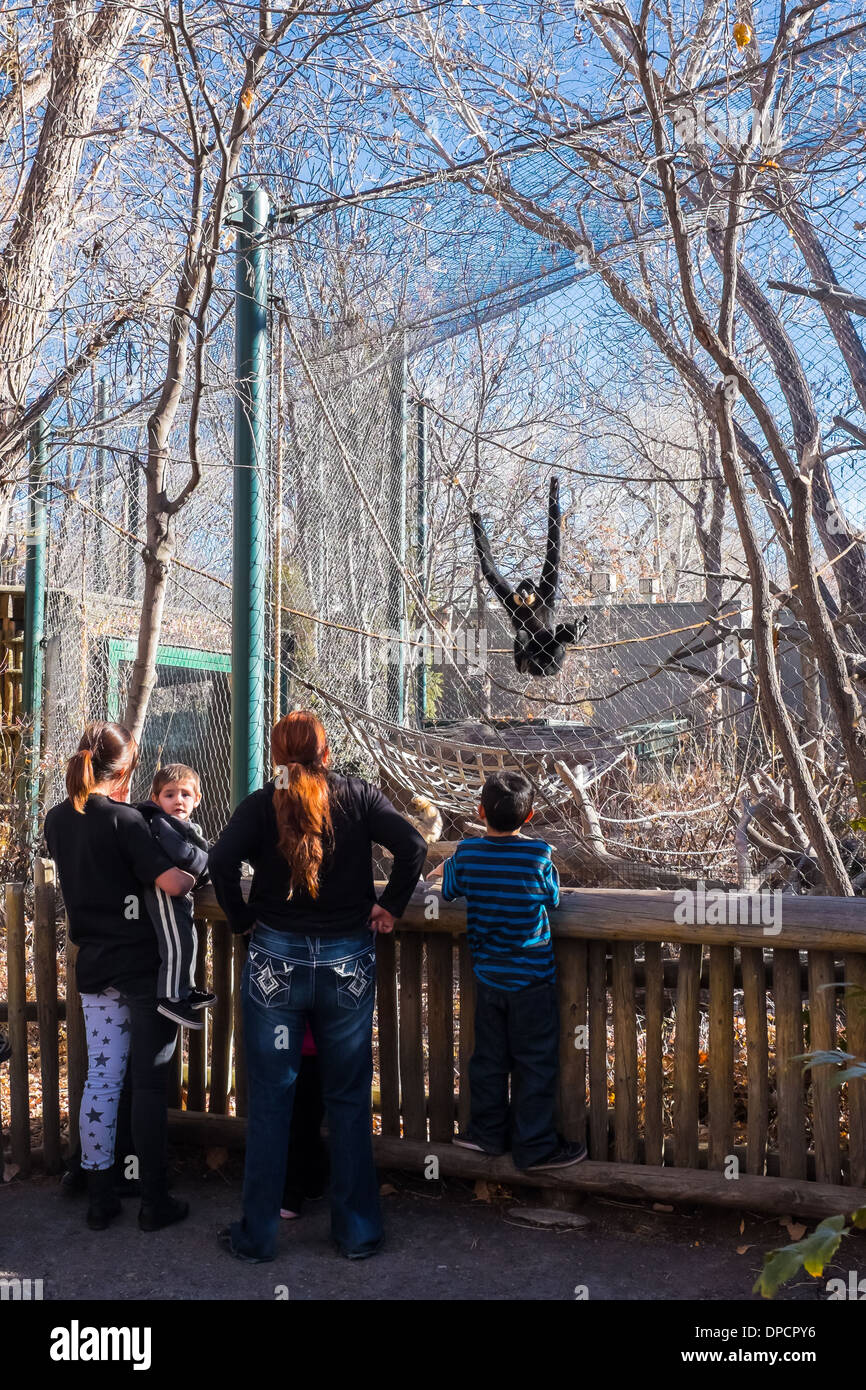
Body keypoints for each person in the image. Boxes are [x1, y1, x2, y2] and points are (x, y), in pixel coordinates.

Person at [209, 709, 427, 1263]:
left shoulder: (263, 802)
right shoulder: (358, 795)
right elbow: (414, 847)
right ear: (326, 753)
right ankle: (356, 1232)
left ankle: (257, 1236)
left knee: (271, 1095)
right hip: (346, 959)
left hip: (274, 958)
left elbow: (220, 859)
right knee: (349, 1096)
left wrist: (239, 917)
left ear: (278, 756)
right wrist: (390, 906)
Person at [44, 722, 194, 1232]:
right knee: (149, 1087)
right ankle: (155, 1199)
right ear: (125, 770)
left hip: (94, 963)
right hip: (140, 966)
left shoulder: (56, 819)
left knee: (102, 1080)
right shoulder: (126, 820)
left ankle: (99, 1192)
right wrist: (200, 869)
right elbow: (172, 882)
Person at [433, 769, 586, 1170]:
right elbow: (552, 897)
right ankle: (534, 1147)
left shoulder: (466, 854)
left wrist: (441, 869)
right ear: (530, 816)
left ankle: (486, 1134)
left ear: (479, 811)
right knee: (535, 1062)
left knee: (488, 1059)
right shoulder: (538, 855)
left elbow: (448, 888)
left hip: (489, 980)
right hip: (533, 983)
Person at [136, 763, 215, 1030]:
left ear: (197, 800)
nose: (178, 800)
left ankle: (186, 989)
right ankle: (170, 997)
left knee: (188, 939)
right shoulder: (162, 823)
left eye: (185, 794)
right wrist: (209, 865)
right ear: (156, 799)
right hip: (164, 896)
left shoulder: (184, 825)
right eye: (169, 795)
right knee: (176, 943)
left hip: (181, 897)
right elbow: (183, 855)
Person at [280, 1019, 328, 1220]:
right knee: (307, 1120)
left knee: (297, 1122)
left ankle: (292, 1195)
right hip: (318, 1043)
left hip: (297, 1043)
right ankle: (313, 1182)